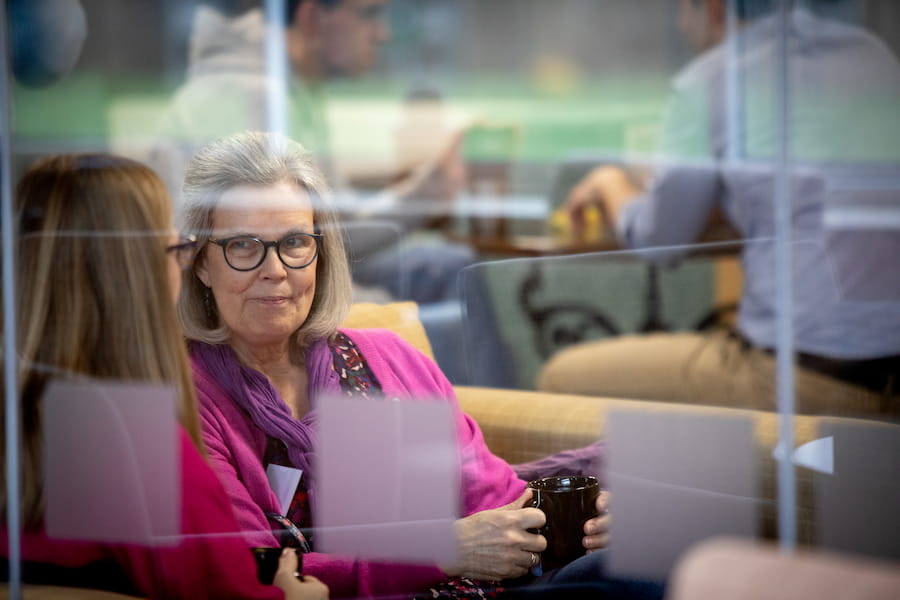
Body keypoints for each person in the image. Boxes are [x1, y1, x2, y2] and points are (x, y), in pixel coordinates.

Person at [177, 130, 636, 599]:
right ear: (201, 264)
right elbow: (247, 569)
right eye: (243, 246)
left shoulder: (389, 359)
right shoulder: (191, 402)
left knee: (640, 568)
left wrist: (585, 521)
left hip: (477, 592)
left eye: (295, 242)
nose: (274, 269)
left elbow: (495, 498)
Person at [545, 0, 900, 418]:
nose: (680, 23)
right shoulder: (872, 54)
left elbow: (662, 241)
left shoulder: (713, 79)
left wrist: (612, 184)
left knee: (559, 378)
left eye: (684, 8)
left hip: (801, 377)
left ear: (714, 8)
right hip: (889, 372)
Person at [2, 153, 329, 600]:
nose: (273, 270)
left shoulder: (34, 420)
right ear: (135, 276)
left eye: (294, 242)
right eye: (176, 250)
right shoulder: (140, 449)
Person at [150, 0, 479, 382]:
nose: (383, 32)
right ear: (310, 16)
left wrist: (426, 190)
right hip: (232, 298)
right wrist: (424, 199)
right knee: (465, 321)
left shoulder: (295, 87)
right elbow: (276, 250)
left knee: (454, 264)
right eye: (369, 14)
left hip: (282, 263)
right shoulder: (256, 95)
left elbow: (324, 225)